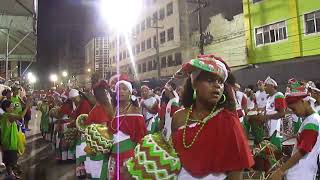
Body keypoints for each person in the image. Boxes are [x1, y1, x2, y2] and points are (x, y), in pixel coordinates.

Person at [171, 55, 254, 179]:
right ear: (194, 84)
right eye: (210, 80)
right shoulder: (178, 117)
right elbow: (172, 159)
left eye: (220, 82)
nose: (217, 86)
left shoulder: (229, 121)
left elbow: (236, 172)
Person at [270, 80, 320, 180]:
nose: (294, 113)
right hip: (300, 172)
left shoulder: (312, 122)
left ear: (303, 101)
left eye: (294, 109)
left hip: (301, 174)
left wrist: (281, 170)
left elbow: (303, 151)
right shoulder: (310, 119)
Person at [108, 80, 147, 180]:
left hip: (129, 153)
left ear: (130, 93)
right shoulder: (114, 109)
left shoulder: (135, 110)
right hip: (113, 153)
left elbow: (141, 136)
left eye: (124, 89)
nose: (121, 91)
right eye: (118, 89)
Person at [82, 81, 114, 179]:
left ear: (95, 95)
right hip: (95, 145)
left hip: (97, 147)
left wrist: (95, 147)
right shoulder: (102, 107)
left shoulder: (100, 109)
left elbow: (102, 130)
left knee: (97, 172)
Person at [0, 99, 31, 179]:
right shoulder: (9, 116)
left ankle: (11, 174)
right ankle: (12, 174)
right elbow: (20, 116)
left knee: (8, 161)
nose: (12, 107)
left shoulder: (4, 115)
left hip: (5, 142)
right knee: (11, 161)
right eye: (11, 106)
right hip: (11, 143)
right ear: (6, 108)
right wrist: (27, 107)